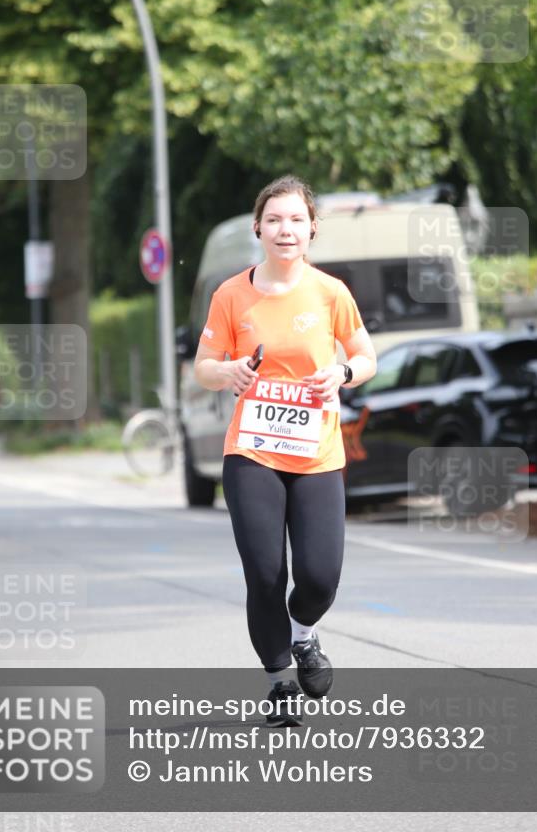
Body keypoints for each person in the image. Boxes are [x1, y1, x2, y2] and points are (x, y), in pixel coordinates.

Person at [194, 175, 377, 725]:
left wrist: (342, 373)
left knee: (320, 576)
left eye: (296, 219)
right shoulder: (231, 294)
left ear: (312, 229)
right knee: (265, 573)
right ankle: (279, 683)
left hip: (317, 455)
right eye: (274, 219)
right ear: (258, 228)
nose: (285, 229)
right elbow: (204, 368)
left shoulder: (330, 293)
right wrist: (226, 370)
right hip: (252, 454)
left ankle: (304, 634)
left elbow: (366, 355)